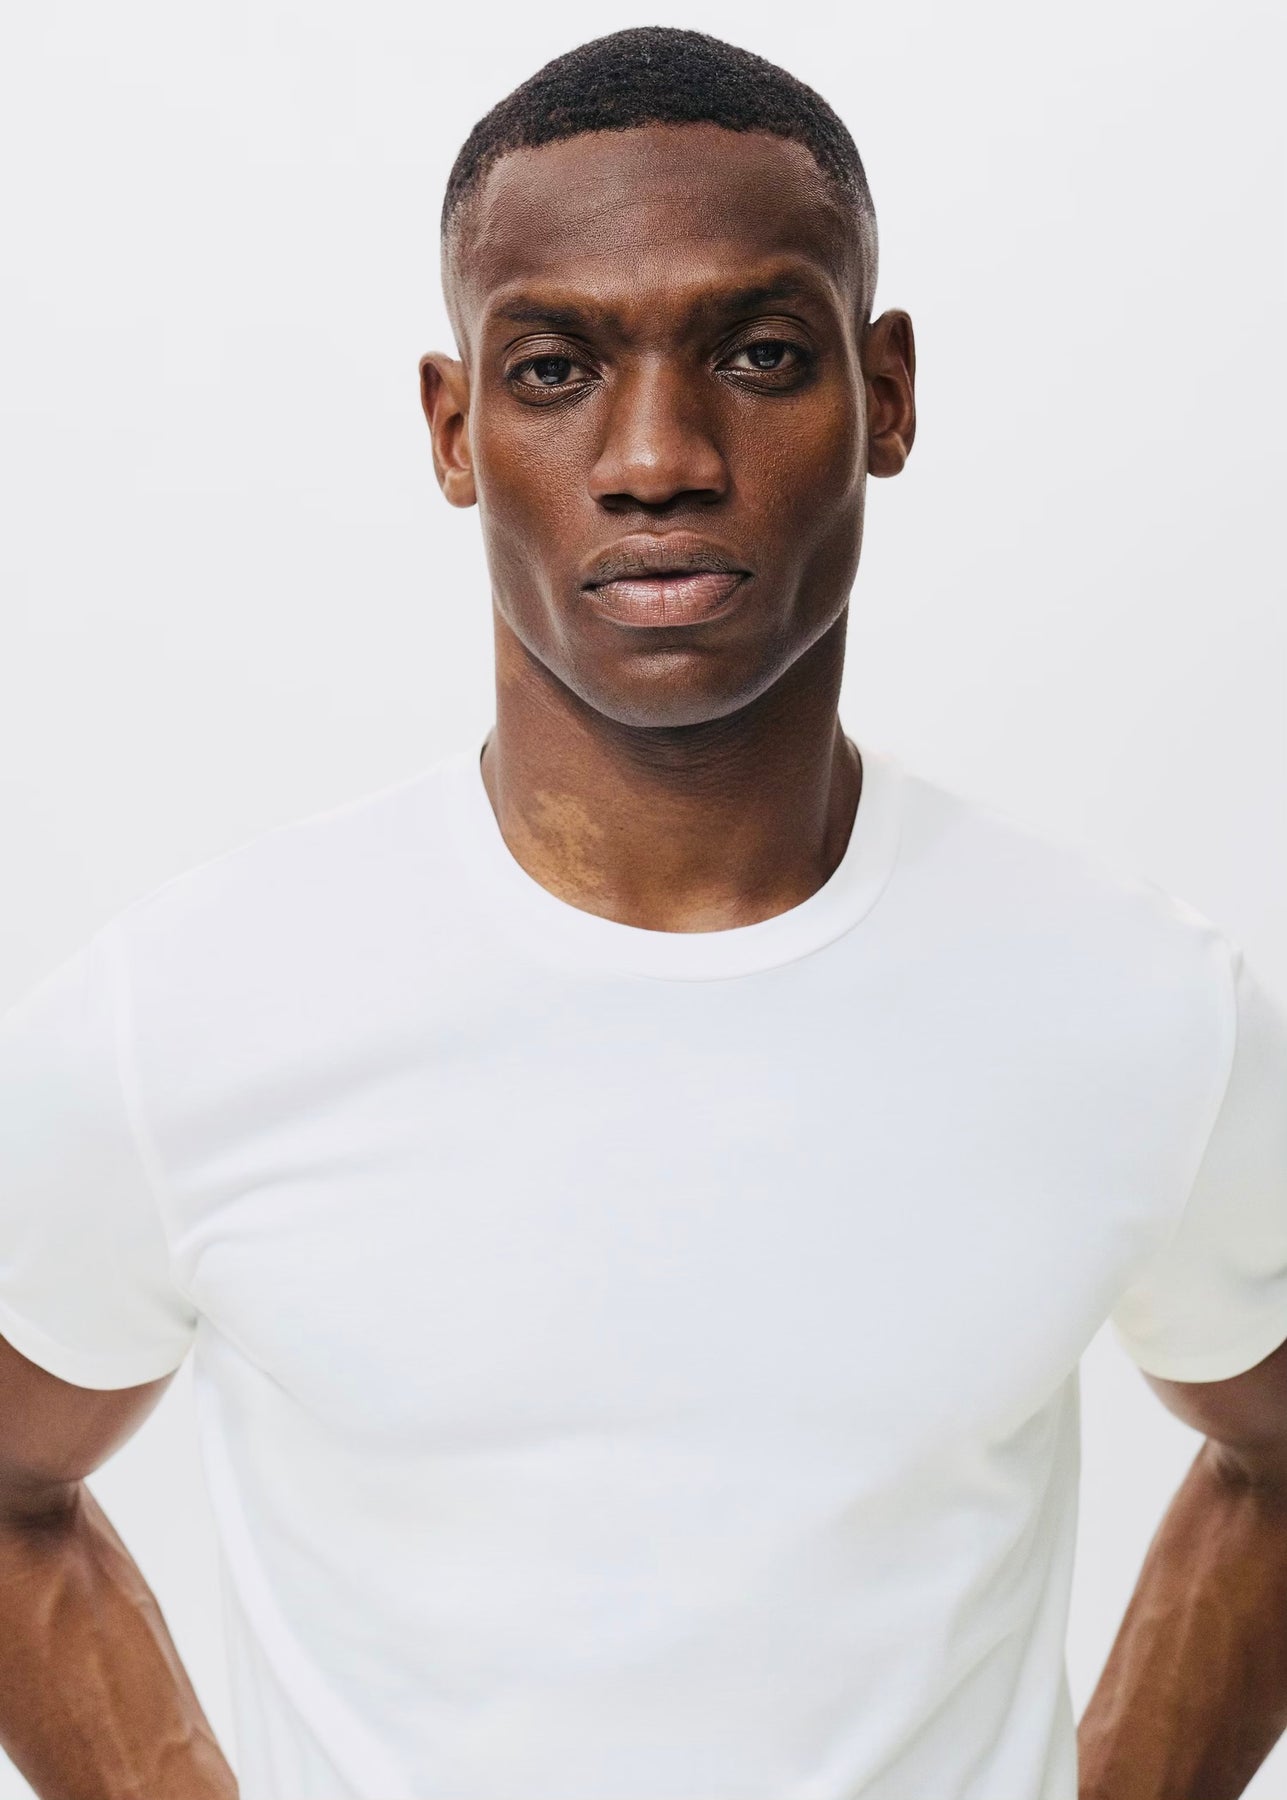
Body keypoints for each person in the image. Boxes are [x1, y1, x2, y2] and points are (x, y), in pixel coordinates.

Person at [0, 24, 1285, 1800]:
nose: (659, 457)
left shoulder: (1143, 1008)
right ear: (454, 429)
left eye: (760, 355)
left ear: (888, 395)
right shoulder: (182, 1017)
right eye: (554, 370)